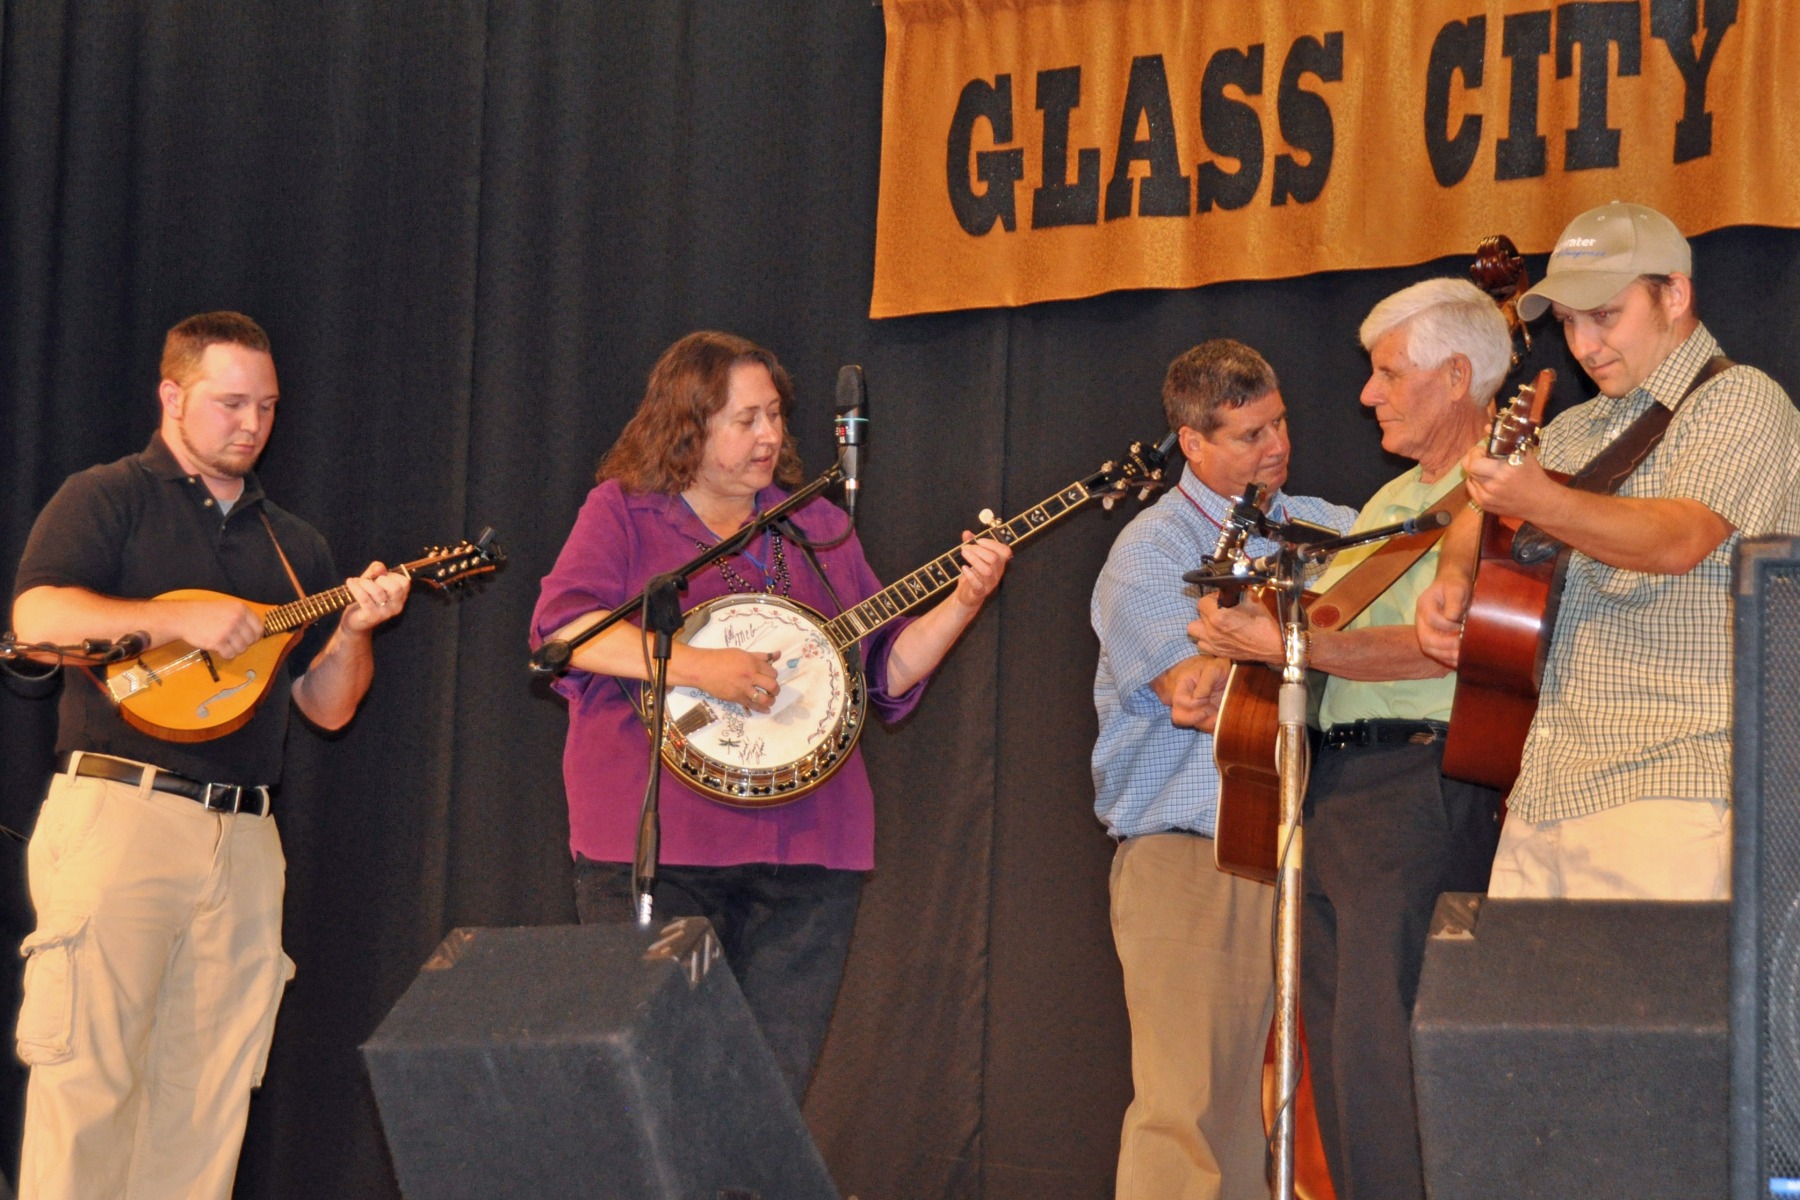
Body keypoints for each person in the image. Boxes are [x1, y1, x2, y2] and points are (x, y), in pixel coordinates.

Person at [530, 330, 1010, 1101]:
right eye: (745, 419)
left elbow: (884, 669)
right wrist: (702, 665)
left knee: (767, 1101)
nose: (770, 436)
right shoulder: (625, 512)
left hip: (808, 853)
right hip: (662, 846)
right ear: (688, 427)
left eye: (776, 415)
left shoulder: (814, 525)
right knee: (659, 1092)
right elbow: (564, 633)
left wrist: (964, 601)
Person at [9, 311, 411, 1200]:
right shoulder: (108, 496)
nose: (252, 424)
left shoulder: (294, 545)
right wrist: (173, 617)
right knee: (88, 1090)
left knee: (207, 1106)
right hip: (123, 813)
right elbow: (35, 622)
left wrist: (356, 632)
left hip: (245, 840)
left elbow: (328, 708)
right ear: (172, 395)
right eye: (231, 403)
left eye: (267, 407)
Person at [1190, 280, 1510, 1200]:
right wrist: (1240, 659)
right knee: (1335, 1057)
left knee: (1385, 1050)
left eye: (1388, 374)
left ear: (1458, 377)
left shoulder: (1504, 495)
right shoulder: (1388, 502)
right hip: (1336, 791)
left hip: (1418, 781)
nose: (1368, 395)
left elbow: (1441, 649)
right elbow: (1328, 634)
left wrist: (1288, 644)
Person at [1417, 201, 1800, 900]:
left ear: (1674, 294)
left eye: (1605, 315)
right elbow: (1482, 511)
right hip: (1543, 788)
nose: (1584, 345)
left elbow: (1680, 538)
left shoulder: (1741, 400)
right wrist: (1451, 575)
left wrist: (1541, 500)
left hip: (1674, 785)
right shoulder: (1572, 429)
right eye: (1568, 322)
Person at [1090, 339, 1356, 1200]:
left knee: (1262, 1117)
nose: (1276, 446)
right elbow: (1196, 696)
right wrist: (1282, 644)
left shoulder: (1327, 525)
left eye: (1279, 422)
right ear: (1193, 444)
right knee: (1190, 1109)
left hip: (1305, 849)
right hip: (1192, 851)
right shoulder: (1150, 549)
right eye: (1249, 435)